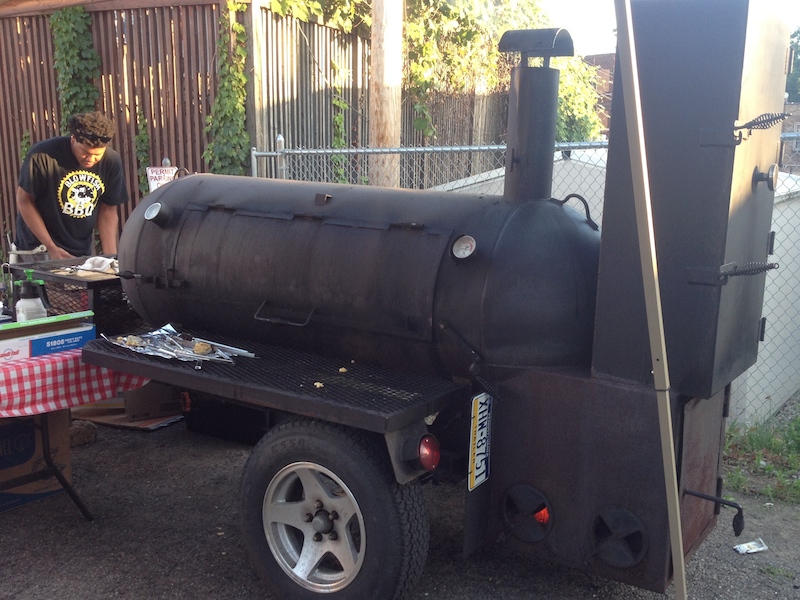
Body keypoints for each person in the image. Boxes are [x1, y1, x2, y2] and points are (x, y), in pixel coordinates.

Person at [14, 111, 130, 261]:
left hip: (80, 250)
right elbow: (24, 200)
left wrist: (111, 257)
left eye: (97, 155)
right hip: (38, 249)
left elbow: (108, 210)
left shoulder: (111, 161)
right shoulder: (42, 155)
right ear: (73, 139)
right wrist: (51, 247)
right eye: (85, 153)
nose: (91, 159)